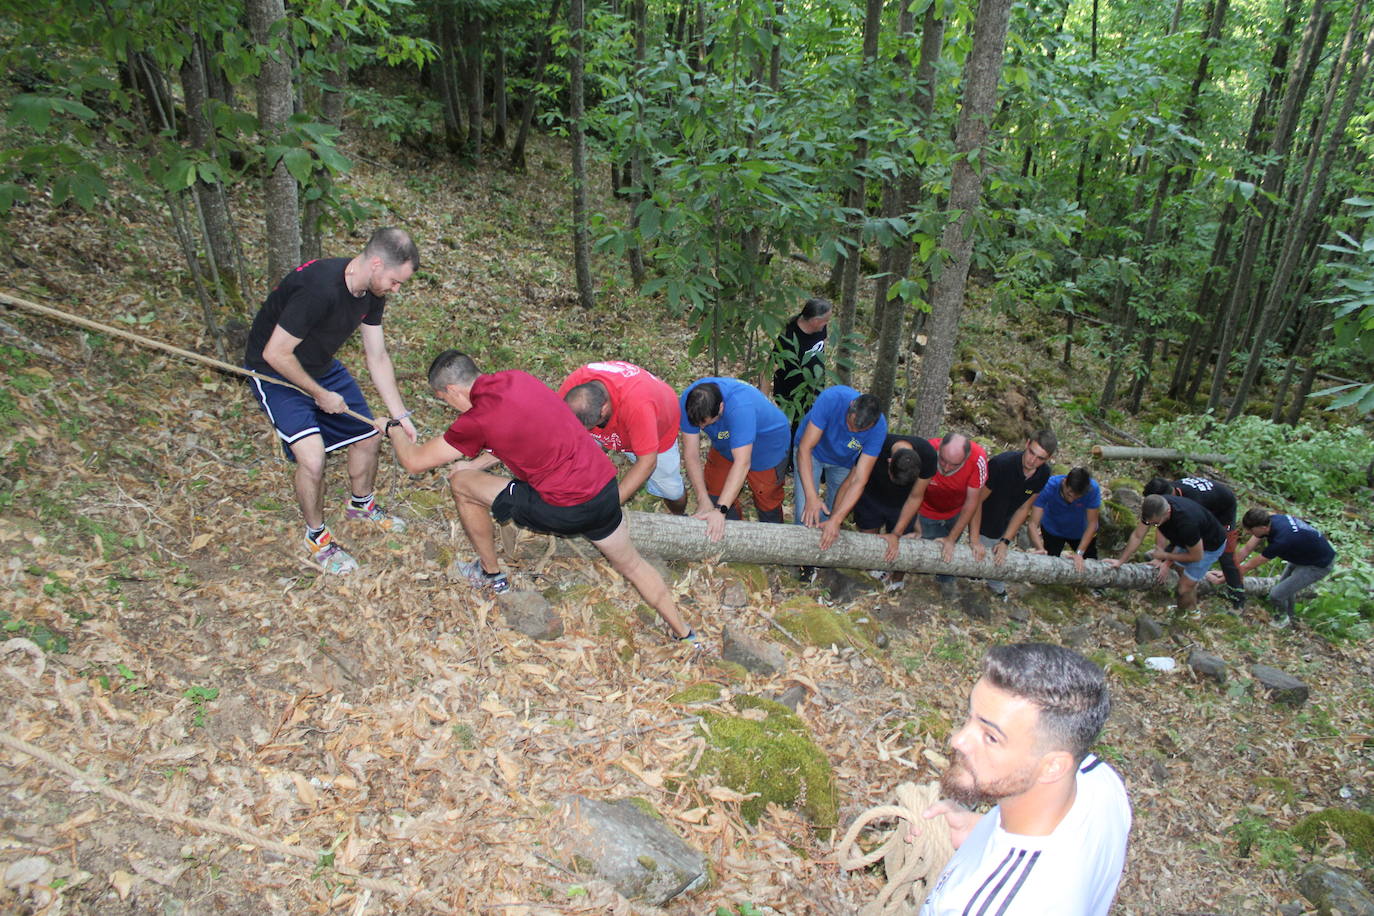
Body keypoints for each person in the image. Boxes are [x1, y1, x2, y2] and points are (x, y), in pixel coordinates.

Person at [379, 351, 696, 644]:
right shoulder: (519, 380)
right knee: (633, 565)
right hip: (603, 493)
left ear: (452, 390)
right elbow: (512, 432)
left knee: (462, 483)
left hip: (562, 508)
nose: (450, 406)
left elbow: (414, 462)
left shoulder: (476, 419)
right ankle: (686, 635)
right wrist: (475, 463)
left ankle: (491, 575)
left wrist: (393, 429)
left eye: (445, 400)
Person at [244, 227, 419, 575]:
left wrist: (400, 415)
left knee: (369, 436)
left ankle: (361, 505)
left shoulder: (371, 291)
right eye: (395, 281)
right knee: (312, 458)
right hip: (274, 372)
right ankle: (317, 537)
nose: (396, 289)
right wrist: (319, 394)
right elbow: (275, 353)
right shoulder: (319, 288)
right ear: (376, 263)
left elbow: (377, 356)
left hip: (320, 366)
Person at [912, 642, 1131, 915]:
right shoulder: (1099, 781)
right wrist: (979, 830)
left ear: (1053, 767)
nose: (958, 740)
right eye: (970, 718)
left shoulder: (987, 907)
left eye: (991, 737)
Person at [559, 361, 687, 515]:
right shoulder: (574, 388)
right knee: (573, 459)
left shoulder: (639, 407)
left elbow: (647, 463)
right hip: (622, 419)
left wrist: (607, 509)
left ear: (604, 409)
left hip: (657, 429)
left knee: (671, 490)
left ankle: (680, 517)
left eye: (590, 426)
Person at [680, 378, 792, 542]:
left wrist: (720, 510)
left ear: (721, 407)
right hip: (726, 443)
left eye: (707, 424)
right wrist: (702, 499)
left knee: (767, 499)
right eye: (699, 425)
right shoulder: (691, 402)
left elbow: (742, 463)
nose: (702, 429)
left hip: (767, 446)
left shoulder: (740, 407)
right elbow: (691, 454)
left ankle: (774, 541)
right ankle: (732, 537)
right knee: (715, 492)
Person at [793, 385, 887, 553]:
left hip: (843, 462)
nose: (852, 431)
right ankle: (799, 558)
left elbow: (859, 480)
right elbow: (805, 448)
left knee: (832, 514)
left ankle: (820, 556)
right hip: (812, 453)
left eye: (859, 431)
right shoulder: (832, 399)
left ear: (872, 425)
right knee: (805, 512)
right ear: (851, 407)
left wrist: (836, 520)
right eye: (850, 424)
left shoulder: (879, 429)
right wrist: (812, 496)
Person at [971, 431, 1057, 596]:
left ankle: (989, 582)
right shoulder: (1001, 464)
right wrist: (975, 539)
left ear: (1048, 458)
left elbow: (1024, 508)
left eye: (1040, 458)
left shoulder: (1044, 474)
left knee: (996, 556)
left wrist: (1006, 541)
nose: (1032, 460)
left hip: (1005, 522)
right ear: (1027, 444)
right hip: (982, 518)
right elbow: (976, 501)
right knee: (983, 560)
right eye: (1031, 452)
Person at [1107, 493, 1224, 612]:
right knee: (1181, 571)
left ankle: (1190, 613)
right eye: (1149, 523)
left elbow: (1197, 556)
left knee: (1183, 589)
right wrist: (1121, 561)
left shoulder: (1187, 524)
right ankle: (1192, 588)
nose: (1152, 525)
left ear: (1167, 512)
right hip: (1187, 541)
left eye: (1155, 524)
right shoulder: (1154, 506)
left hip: (1210, 546)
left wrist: (1165, 558)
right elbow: (1138, 535)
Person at [853, 434, 939, 592]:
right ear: (889, 461)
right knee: (868, 539)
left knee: (903, 544)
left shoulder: (928, 455)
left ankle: (896, 581)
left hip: (903, 504)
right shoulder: (877, 442)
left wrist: (896, 534)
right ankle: (871, 574)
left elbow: (915, 496)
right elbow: (855, 479)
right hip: (872, 495)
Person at [1145, 476, 1245, 609]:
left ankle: (1238, 597)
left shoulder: (1192, 502)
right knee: (1184, 540)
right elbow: (1163, 526)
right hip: (1205, 508)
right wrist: (1160, 554)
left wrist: (1166, 560)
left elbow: (1186, 535)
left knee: (1226, 554)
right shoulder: (1167, 493)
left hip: (1224, 509)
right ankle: (1189, 574)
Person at [1235, 508, 1337, 629]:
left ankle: (1282, 619)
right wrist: (1231, 566)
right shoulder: (1270, 519)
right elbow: (1247, 548)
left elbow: (1251, 564)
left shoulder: (1281, 540)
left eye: (1250, 530)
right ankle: (1290, 618)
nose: (1247, 532)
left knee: (1277, 594)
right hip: (1302, 554)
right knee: (1286, 590)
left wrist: (1233, 573)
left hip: (1318, 565)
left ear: (1263, 528)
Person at [915, 433, 989, 597]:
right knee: (927, 553)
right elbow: (912, 493)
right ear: (940, 448)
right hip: (926, 510)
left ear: (966, 457)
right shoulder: (926, 449)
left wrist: (964, 539)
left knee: (950, 548)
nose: (946, 468)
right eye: (942, 460)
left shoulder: (978, 459)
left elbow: (973, 502)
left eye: (954, 464)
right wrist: (914, 523)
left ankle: (945, 578)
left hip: (957, 512)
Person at [764, 297, 832, 452]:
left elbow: (821, 344)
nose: (827, 324)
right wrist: (762, 399)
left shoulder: (820, 328)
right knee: (798, 429)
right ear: (815, 321)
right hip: (792, 393)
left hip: (814, 387)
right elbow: (769, 367)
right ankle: (791, 458)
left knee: (812, 425)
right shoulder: (788, 337)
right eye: (826, 321)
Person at [1029, 467, 1102, 574]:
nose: (1072, 500)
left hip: (1080, 532)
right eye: (1069, 494)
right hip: (1052, 530)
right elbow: (1032, 524)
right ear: (1064, 482)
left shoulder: (1092, 489)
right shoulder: (1048, 486)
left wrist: (1079, 553)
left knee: (1090, 563)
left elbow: (1092, 524)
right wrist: (1039, 548)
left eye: (1077, 497)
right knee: (1051, 563)